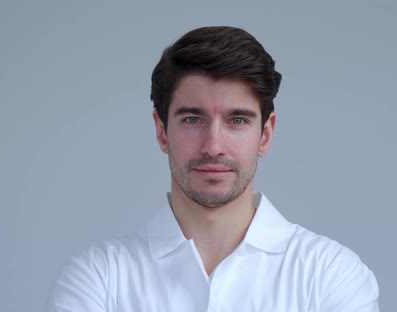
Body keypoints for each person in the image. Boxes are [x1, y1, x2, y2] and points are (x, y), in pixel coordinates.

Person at [47, 26, 379, 312]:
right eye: (193, 119)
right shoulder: (99, 277)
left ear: (265, 134)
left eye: (237, 120)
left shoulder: (331, 274)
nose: (213, 145)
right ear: (162, 131)